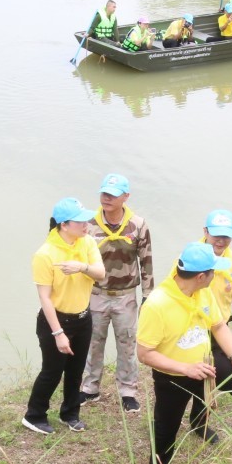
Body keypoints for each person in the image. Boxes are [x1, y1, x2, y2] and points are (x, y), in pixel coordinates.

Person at [137, 244, 232, 464]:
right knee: (166, 427)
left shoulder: (203, 292)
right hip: (173, 375)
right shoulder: (157, 304)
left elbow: (219, 326)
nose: (215, 275)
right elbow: (145, 354)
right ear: (202, 276)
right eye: (213, 271)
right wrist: (185, 369)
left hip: (206, 365)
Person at [24, 199, 106, 434]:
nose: (86, 224)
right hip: (55, 320)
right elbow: (45, 297)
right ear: (64, 225)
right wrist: (58, 333)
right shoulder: (45, 254)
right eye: (80, 221)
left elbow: (101, 273)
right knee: (52, 371)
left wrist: (81, 267)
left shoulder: (87, 242)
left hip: (83, 317)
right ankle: (34, 415)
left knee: (76, 370)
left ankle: (70, 413)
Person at [80, 174, 154, 413]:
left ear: (126, 197)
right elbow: (78, 260)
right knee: (92, 342)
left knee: (127, 343)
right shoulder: (88, 225)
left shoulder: (138, 225)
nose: (106, 198)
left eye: (112, 194)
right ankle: (90, 388)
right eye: (104, 193)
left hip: (125, 295)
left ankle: (128, 391)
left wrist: (148, 295)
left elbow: (146, 261)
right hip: (95, 293)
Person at [186, 210, 232, 447]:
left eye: (226, 236)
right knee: (194, 378)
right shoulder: (191, 255)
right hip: (191, 330)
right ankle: (191, 420)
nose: (220, 240)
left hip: (221, 331)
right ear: (205, 232)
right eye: (216, 235)